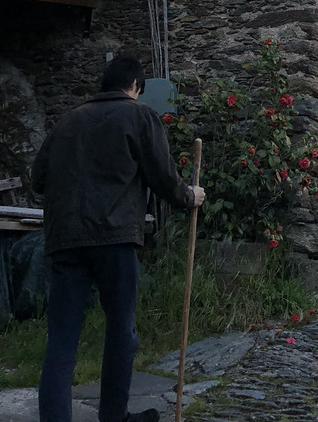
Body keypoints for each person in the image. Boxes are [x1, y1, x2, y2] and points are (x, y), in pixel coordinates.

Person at [32, 54, 206, 422]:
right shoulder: (140, 116)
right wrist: (191, 196)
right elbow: (163, 177)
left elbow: (38, 179)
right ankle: (113, 416)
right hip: (115, 240)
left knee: (62, 341)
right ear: (134, 87)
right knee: (121, 332)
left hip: (65, 241)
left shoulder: (67, 121)